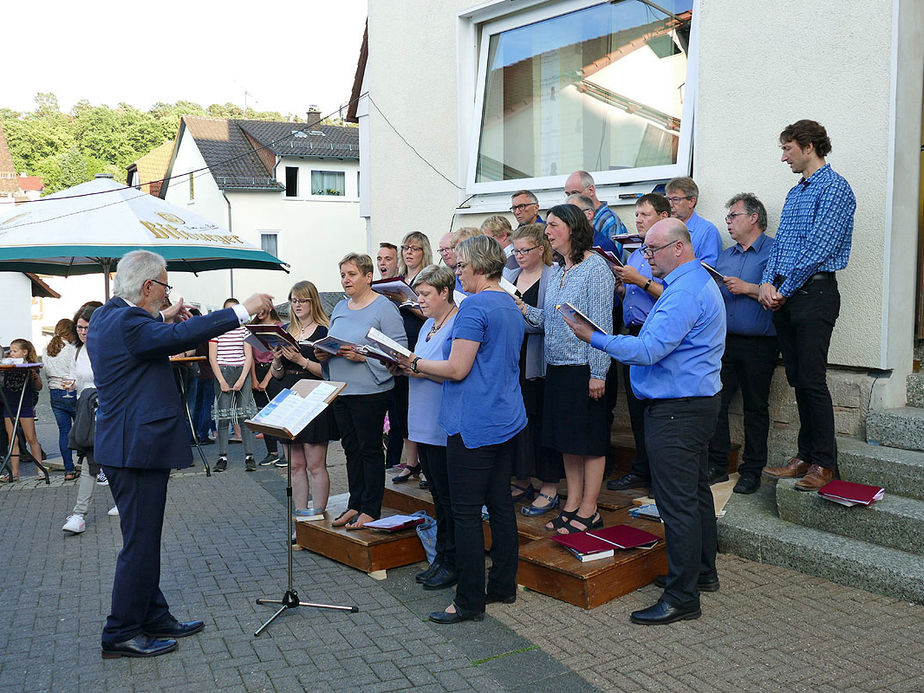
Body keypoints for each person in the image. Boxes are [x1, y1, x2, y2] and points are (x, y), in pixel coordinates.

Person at [87, 249, 273, 658]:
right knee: (140, 543)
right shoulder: (131, 322)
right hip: (134, 449)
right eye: (164, 286)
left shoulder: (106, 315)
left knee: (143, 539)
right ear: (149, 286)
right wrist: (241, 311)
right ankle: (120, 632)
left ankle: (153, 616)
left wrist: (166, 314)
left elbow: (151, 329)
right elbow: (170, 339)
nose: (165, 294)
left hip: (124, 446)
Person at [562, 218, 725, 625]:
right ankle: (700, 573)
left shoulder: (686, 290)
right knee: (694, 493)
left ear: (679, 248)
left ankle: (682, 597)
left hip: (678, 410)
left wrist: (593, 337)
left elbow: (650, 350)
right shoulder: (689, 283)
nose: (645, 257)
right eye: (645, 249)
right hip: (690, 404)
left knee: (677, 503)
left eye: (651, 249)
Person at [399, 236, 526, 624]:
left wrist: (415, 363)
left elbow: (456, 369)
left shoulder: (474, 309)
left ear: (478, 267)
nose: (457, 273)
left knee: (467, 513)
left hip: (473, 422)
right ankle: (503, 584)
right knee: (501, 505)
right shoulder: (508, 302)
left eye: (460, 267)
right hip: (506, 418)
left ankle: (470, 601)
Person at [761, 119, 855, 491]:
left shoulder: (835, 188)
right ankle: (805, 456)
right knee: (799, 379)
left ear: (808, 146)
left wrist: (784, 287)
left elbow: (819, 249)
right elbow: (781, 244)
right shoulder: (795, 192)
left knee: (813, 380)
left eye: (787, 149)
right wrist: (768, 281)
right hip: (788, 295)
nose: (783, 157)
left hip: (814, 295)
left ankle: (824, 464)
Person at [520, 204, 614, 534]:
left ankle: (590, 509)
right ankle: (572, 504)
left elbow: (602, 324)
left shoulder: (596, 267)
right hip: (557, 368)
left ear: (572, 228)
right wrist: (521, 306)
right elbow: (550, 321)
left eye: (554, 225)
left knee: (588, 442)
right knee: (566, 442)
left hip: (584, 368)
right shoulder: (559, 269)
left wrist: (599, 372)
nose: (547, 232)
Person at [318, 253, 407, 530]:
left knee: (369, 450)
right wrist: (324, 354)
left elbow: (399, 353)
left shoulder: (384, 307)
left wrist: (364, 358)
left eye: (352, 274)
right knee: (350, 449)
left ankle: (371, 508)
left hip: (370, 391)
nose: (346, 279)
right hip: (342, 390)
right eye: (343, 274)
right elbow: (332, 341)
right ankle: (354, 504)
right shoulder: (341, 308)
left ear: (368, 277)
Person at [706, 193, 779, 495]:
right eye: (727, 217)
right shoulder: (726, 255)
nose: (728, 222)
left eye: (733, 216)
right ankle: (718, 465)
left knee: (755, 408)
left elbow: (781, 293)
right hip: (726, 342)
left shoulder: (774, 251)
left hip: (760, 344)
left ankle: (752, 470)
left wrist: (748, 288)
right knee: (715, 403)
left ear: (753, 218)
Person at [400, 264, 458, 590]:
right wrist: (404, 364)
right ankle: (441, 556)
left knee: (448, 497)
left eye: (425, 294)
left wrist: (417, 366)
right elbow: (420, 363)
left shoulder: (456, 323)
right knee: (436, 494)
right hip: (420, 418)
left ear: (444, 292)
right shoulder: (427, 327)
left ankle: (451, 560)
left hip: (440, 419)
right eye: (417, 294)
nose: (419, 300)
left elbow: (452, 370)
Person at [607, 193, 670, 492]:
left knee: (654, 410)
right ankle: (642, 469)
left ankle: (659, 475)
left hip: (654, 335)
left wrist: (639, 281)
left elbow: (671, 295)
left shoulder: (666, 254)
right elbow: (633, 292)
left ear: (663, 216)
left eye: (645, 215)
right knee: (635, 408)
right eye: (637, 215)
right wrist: (622, 286)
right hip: (632, 333)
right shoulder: (636, 252)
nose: (638, 220)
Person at [506, 224, 563, 516]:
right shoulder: (510, 275)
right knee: (518, 422)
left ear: (541, 249)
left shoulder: (554, 277)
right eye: (515, 251)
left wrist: (521, 310)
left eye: (524, 250)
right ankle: (521, 478)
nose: (518, 256)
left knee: (541, 422)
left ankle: (549, 486)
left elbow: (551, 322)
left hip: (539, 361)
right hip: (513, 360)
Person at [269, 281, 338, 517]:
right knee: (296, 465)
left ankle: (318, 514)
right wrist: (277, 360)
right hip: (289, 396)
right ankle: (300, 514)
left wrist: (301, 360)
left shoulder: (324, 332)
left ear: (313, 302)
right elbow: (277, 374)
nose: (297, 305)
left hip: (314, 397)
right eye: (294, 300)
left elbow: (329, 373)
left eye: (302, 300)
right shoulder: (285, 331)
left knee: (315, 464)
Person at [62, 301, 117, 533]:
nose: (83, 332)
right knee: (99, 460)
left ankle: (79, 514)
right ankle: (121, 502)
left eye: (87, 328)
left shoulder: (110, 347)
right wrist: (73, 383)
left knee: (91, 461)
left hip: (106, 410)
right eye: (80, 328)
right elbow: (79, 376)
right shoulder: (79, 350)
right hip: (85, 410)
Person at [384, 231, 433, 474]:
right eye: (406, 248)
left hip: (422, 342)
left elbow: (434, 313)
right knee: (401, 407)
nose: (409, 252)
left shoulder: (430, 278)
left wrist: (405, 301)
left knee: (421, 404)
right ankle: (411, 461)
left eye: (414, 248)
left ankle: (426, 463)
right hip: (399, 343)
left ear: (424, 251)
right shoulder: (399, 279)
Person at [208, 298, 258, 472]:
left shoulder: (244, 331)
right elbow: (212, 358)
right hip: (222, 372)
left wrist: (242, 379)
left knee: (244, 415)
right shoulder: (216, 331)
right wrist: (222, 380)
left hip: (240, 372)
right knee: (223, 416)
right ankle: (222, 457)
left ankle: (249, 456)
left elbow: (248, 356)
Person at [0, 339, 44, 483]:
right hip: (9, 404)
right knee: (12, 439)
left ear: (24, 352)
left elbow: (38, 387)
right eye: (10, 351)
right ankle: (15, 472)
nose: (11, 353)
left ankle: (40, 469)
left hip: (24, 405)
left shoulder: (31, 366)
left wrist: (35, 376)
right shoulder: (7, 365)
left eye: (14, 351)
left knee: (31, 438)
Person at [43, 318, 79, 480]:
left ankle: (68, 470)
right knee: (82, 428)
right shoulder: (72, 349)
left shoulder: (47, 349)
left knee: (64, 431)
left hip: (54, 392)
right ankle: (85, 463)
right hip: (70, 390)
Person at [249, 306, 284, 466]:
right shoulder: (253, 329)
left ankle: (286, 452)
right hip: (257, 369)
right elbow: (250, 356)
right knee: (264, 414)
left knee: (279, 413)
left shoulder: (279, 327)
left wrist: (266, 380)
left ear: (270, 308)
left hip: (274, 371)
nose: (260, 311)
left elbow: (279, 357)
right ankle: (272, 452)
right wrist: (254, 379)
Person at [665, 176, 722, 266]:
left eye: (675, 199)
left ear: (691, 201)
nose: (670, 204)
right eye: (668, 199)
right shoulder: (664, 228)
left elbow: (708, 268)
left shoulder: (707, 231)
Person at [564, 170, 629, 249]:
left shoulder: (610, 222)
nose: (570, 199)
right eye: (568, 195)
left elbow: (615, 259)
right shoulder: (571, 219)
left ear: (591, 190)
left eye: (575, 193)